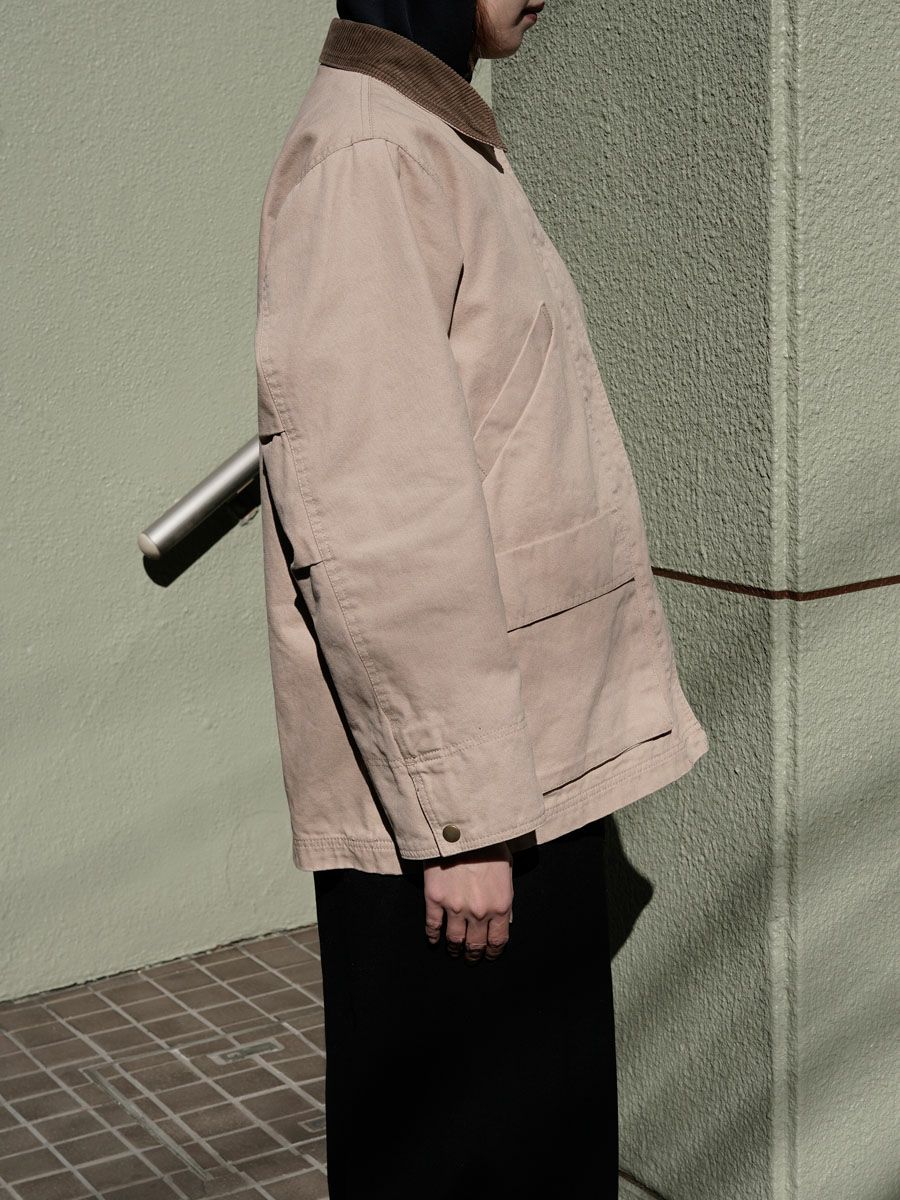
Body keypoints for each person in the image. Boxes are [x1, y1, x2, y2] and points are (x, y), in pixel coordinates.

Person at [254, 2, 708, 1195]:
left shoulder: (429, 129)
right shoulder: (371, 151)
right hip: (462, 816)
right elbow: (379, 513)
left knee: (530, 1149)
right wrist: (465, 823)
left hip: (512, 781)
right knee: (464, 1158)